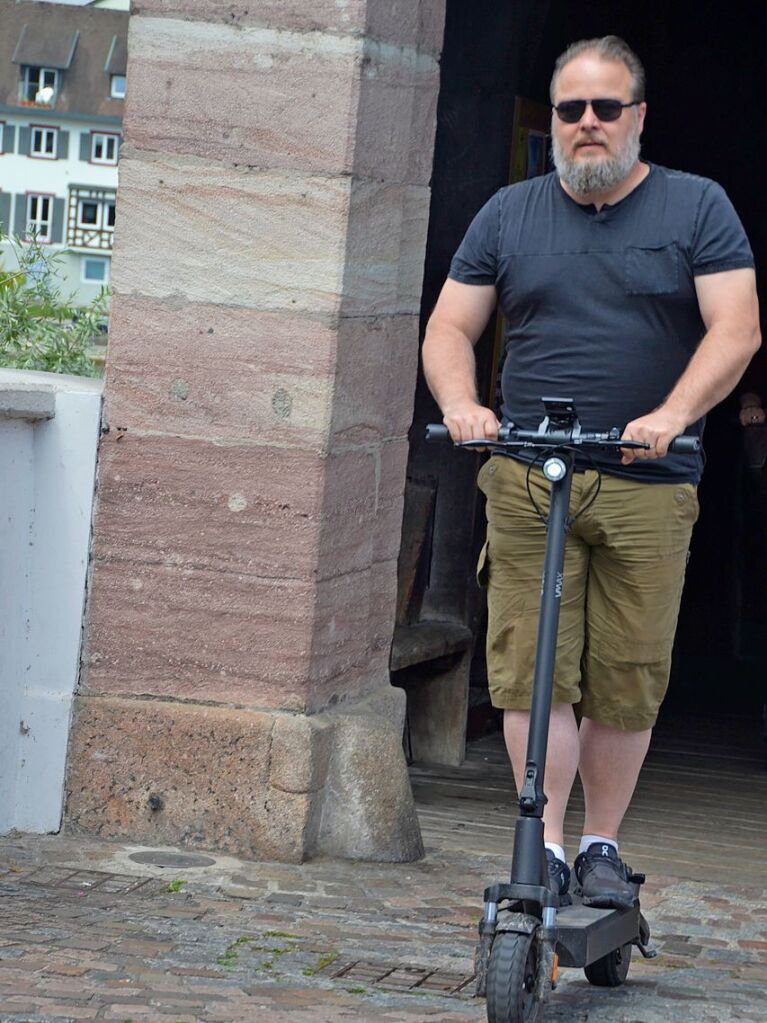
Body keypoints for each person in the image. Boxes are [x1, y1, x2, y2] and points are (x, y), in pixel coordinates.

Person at [422, 35, 761, 908]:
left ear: (636, 118)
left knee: (627, 669)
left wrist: (672, 416)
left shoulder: (696, 206)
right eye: (570, 108)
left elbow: (735, 328)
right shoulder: (508, 212)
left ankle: (603, 845)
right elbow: (448, 329)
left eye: (604, 108)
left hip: (649, 480)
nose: (585, 124)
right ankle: (546, 845)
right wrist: (464, 403)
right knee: (531, 667)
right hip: (530, 474)